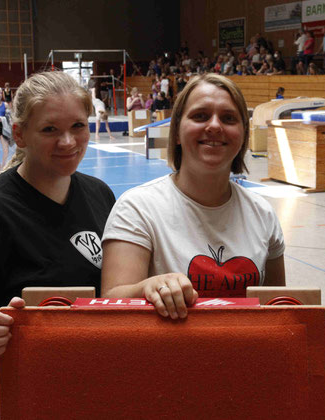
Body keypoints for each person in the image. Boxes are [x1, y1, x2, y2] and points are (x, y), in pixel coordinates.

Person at [0, 70, 116, 418]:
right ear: (19, 134)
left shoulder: (99, 195)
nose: (68, 142)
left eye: (78, 126)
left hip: (82, 390)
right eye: (49, 129)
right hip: (5, 398)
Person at [101, 74, 286, 319]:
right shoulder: (137, 208)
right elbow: (110, 301)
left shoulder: (262, 213)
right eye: (200, 116)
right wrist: (146, 287)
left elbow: (281, 309)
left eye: (229, 118)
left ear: (243, 135)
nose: (215, 126)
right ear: (176, 131)